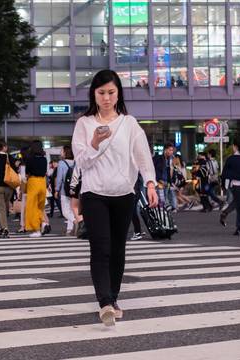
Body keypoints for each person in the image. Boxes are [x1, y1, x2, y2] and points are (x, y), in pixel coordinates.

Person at [71, 69, 158, 327]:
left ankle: (114, 297)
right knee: (100, 247)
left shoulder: (129, 123)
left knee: (118, 248)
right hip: (94, 194)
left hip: (123, 195)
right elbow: (81, 162)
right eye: (101, 93)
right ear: (94, 95)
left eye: (111, 92)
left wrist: (151, 183)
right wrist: (95, 143)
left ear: (118, 93)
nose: (106, 98)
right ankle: (105, 302)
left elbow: (143, 155)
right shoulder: (84, 124)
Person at [23, 141, 48, 238]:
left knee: (32, 207)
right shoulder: (44, 159)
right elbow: (45, 172)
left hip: (33, 182)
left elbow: (27, 173)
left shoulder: (30, 159)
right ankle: (43, 222)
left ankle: (37, 229)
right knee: (40, 207)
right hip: (42, 182)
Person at [55, 145, 76, 235]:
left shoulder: (61, 163)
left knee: (65, 212)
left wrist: (56, 190)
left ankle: (77, 222)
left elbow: (59, 178)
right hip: (74, 188)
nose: (61, 152)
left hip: (64, 189)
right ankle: (69, 229)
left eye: (62, 151)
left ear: (65, 152)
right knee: (71, 209)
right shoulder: (75, 162)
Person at [153, 143, 177, 211]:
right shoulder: (158, 158)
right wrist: (159, 179)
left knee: (166, 197)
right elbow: (155, 169)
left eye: (172, 150)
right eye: (170, 150)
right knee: (161, 198)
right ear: (165, 150)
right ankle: (161, 211)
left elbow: (170, 172)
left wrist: (171, 182)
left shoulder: (170, 160)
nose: (171, 152)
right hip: (160, 181)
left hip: (167, 182)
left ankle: (165, 211)